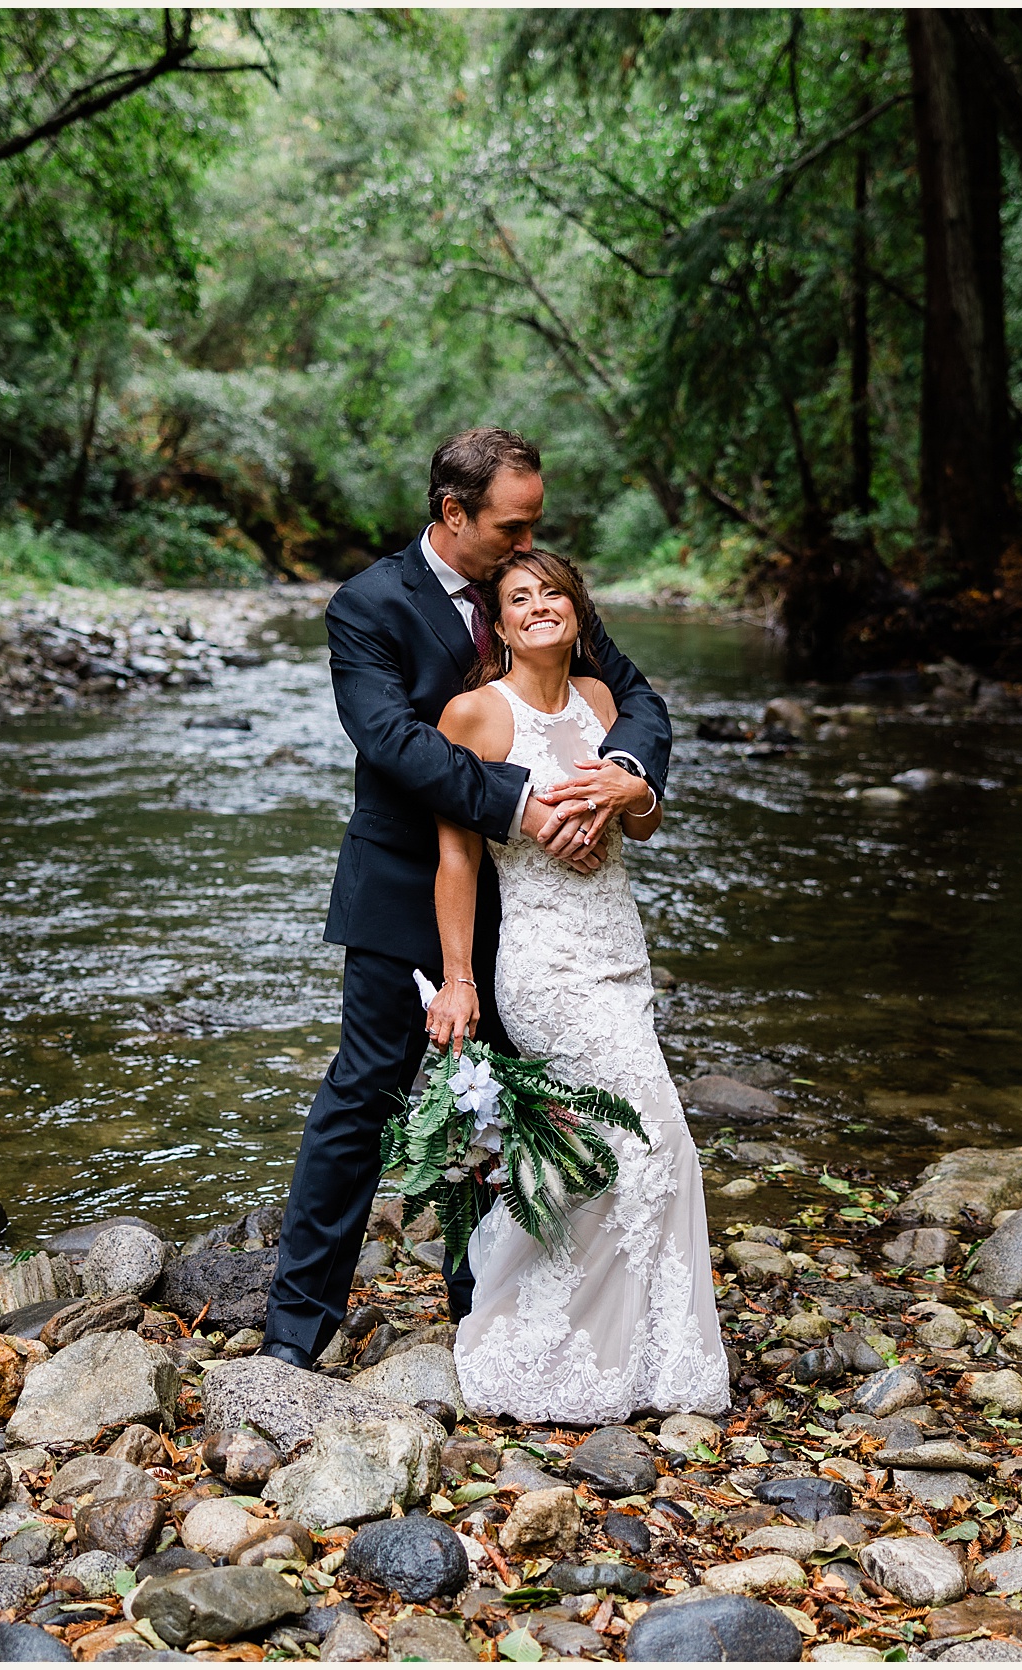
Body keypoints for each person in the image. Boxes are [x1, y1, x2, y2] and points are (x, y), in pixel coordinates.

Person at [258, 428, 670, 1371]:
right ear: (454, 514)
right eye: (512, 527)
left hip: (528, 914)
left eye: (535, 527)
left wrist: (621, 773)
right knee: (367, 1091)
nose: (529, 545)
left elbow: (632, 693)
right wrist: (524, 805)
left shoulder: (534, 590)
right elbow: (392, 742)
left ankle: (486, 1305)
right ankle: (294, 1330)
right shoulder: (368, 606)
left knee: (504, 1102)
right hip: (408, 882)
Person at [422, 547, 731, 1423]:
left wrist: (626, 793)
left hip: (620, 951)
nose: (538, 607)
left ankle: (633, 1354)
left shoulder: (604, 704)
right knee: (655, 1138)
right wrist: (457, 977)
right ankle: (543, 1346)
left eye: (552, 592)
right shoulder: (475, 715)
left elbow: (650, 820)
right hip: (548, 966)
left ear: (576, 609)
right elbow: (456, 860)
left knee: (601, 1152)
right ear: (501, 622)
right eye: (518, 598)